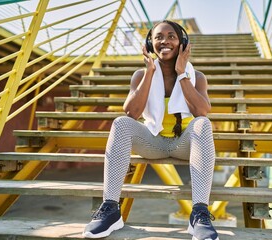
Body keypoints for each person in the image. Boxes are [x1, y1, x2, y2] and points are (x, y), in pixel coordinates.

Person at [83, 20, 219, 240]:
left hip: (183, 143)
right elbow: (132, 113)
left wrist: (182, 73)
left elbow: (202, 111)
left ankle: (200, 213)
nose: (164, 41)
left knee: (203, 124)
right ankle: (110, 208)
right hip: (153, 143)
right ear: (150, 43)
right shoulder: (140, 75)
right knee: (120, 123)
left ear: (182, 42)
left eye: (171, 36)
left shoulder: (197, 77)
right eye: (158, 37)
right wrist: (149, 72)